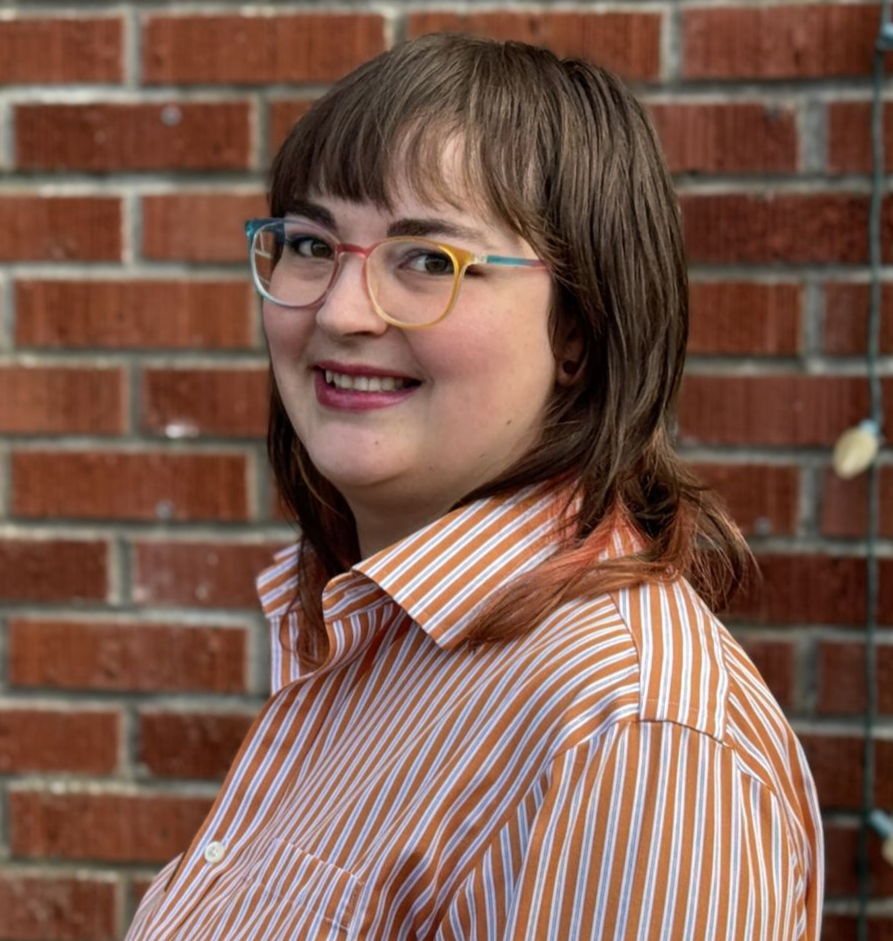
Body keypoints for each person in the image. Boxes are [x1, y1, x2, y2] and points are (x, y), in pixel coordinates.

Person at [124, 32, 823, 941]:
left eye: (427, 261)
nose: (340, 310)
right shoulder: (371, 643)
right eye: (309, 244)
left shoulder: (630, 734)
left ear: (577, 327)